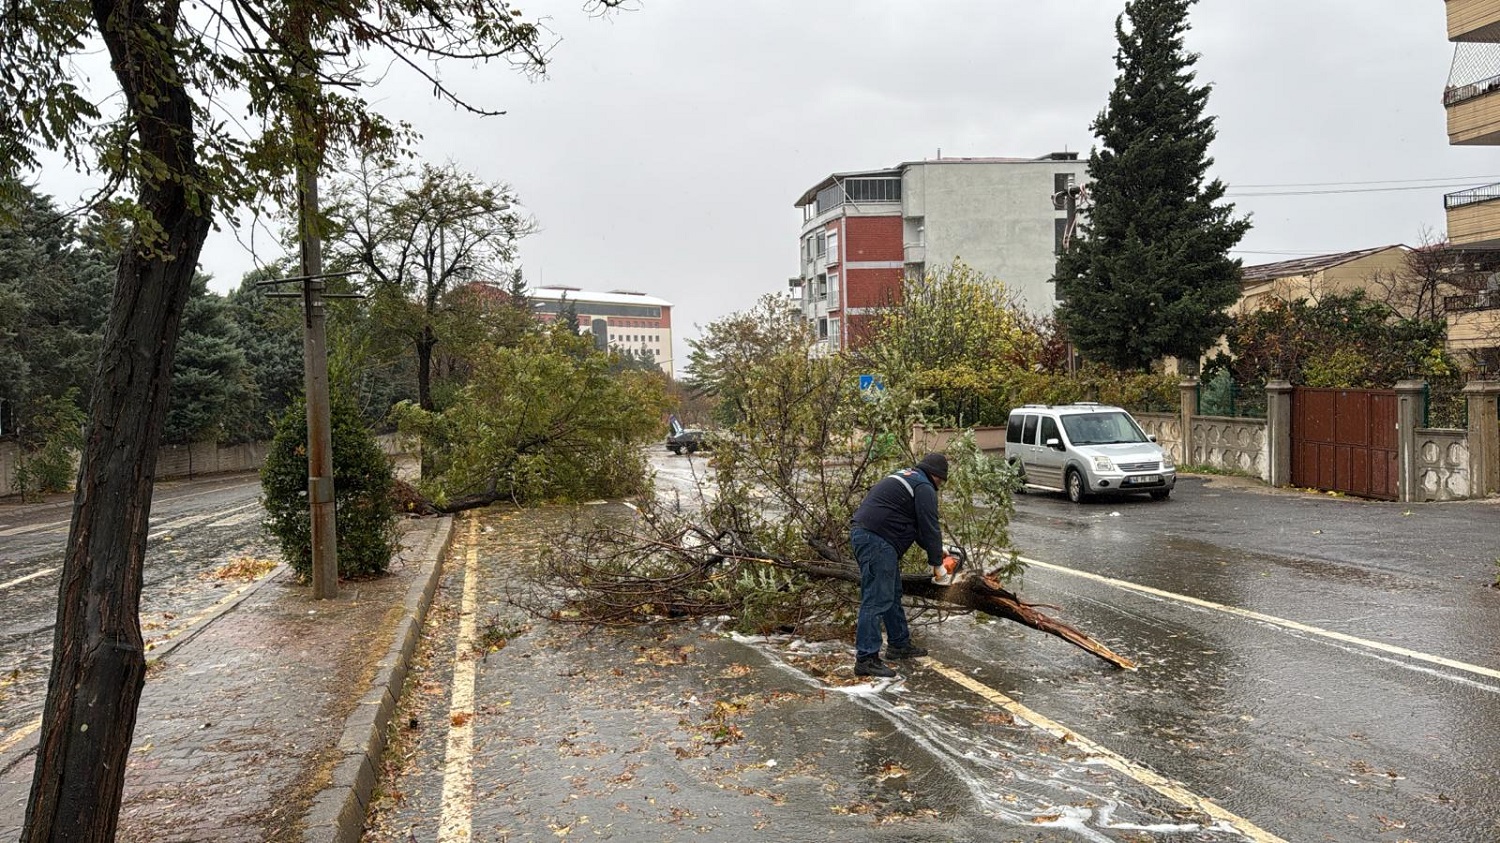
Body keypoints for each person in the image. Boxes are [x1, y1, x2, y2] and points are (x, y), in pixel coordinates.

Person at [848, 452, 959, 678]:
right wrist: (937, 565)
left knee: (891, 593)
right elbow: (929, 526)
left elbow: (916, 527)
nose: (939, 485)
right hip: (876, 540)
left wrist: (938, 550)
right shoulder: (924, 487)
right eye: (940, 481)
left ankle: (899, 644)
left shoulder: (910, 478)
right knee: (876, 598)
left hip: (873, 537)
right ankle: (866, 659)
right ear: (936, 476)